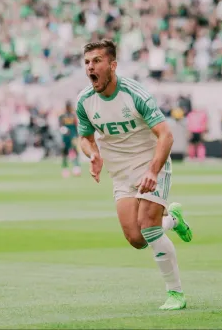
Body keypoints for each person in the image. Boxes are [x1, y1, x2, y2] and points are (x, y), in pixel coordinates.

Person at [76, 39, 192, 311]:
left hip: (152, 164)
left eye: (96, 61)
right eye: (86, 62)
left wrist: (153, 170)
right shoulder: (84, 100)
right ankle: (172, 219)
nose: (90, 67)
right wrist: (92, 154)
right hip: (120, 174)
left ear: (112, 65)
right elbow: (84, 137)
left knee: (149, 227)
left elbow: (166, 135)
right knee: (136, 239)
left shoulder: (135, 94)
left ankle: (176, 293)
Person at [59, 101, 81, 177]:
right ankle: (65, 169)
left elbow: (76, 126)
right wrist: (64, 130)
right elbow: (60, 126)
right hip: (65, 138)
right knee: (64, 153)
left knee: (74, 152)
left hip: (73, 137)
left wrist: (77, 135)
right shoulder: (62, 116)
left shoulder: (73, 116)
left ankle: (76, 168)